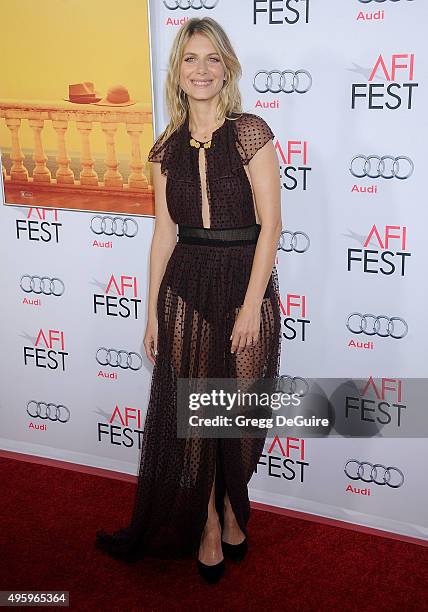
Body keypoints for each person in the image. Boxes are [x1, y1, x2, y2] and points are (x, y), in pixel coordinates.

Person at [95, 16, 282, 584]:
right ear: (176, 71)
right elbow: (163, 234)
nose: (201, 70)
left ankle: (231, 505)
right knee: (196, 422)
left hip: (244, 285)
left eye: (212, 59)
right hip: (186, 290)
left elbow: (271, 227)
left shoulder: (251, 133)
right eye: (190, 59)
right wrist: (151, 310)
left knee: (242, 416)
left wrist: (252, 305)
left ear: (226, 68)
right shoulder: (165, 148)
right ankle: (206, 524)